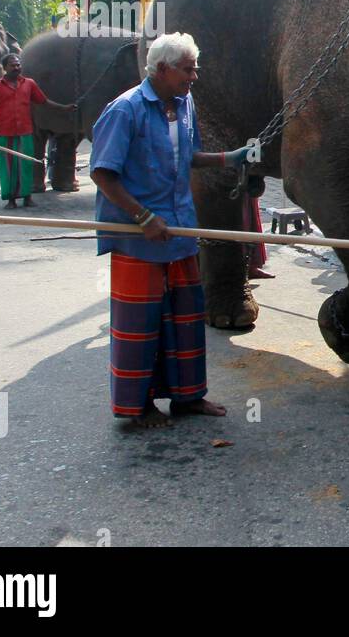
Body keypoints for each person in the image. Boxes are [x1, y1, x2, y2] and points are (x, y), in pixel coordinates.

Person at [90, 32, 251, 427]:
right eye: (188, 69)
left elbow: (187, 158)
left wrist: (228, 159)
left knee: (186, 321)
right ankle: (136, 408)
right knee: (139, 325)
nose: (194, 77)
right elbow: (102, 172)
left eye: (195, 68)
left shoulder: (184, 104)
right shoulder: (125, 110)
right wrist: (142, 217)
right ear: (161, 69)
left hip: (178, 231)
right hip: (138, 238)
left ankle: (188, 397)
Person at [0, 53, 75, 209]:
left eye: (18, 65)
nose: (17, 68)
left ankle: (27, 197)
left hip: (25, 131)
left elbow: (43, 101)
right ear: (5, 68)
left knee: (26, 165)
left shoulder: (29, 84)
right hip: (3, 132)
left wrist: (64, 108)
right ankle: (11, 199)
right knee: (8, 167)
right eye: (13, 65)